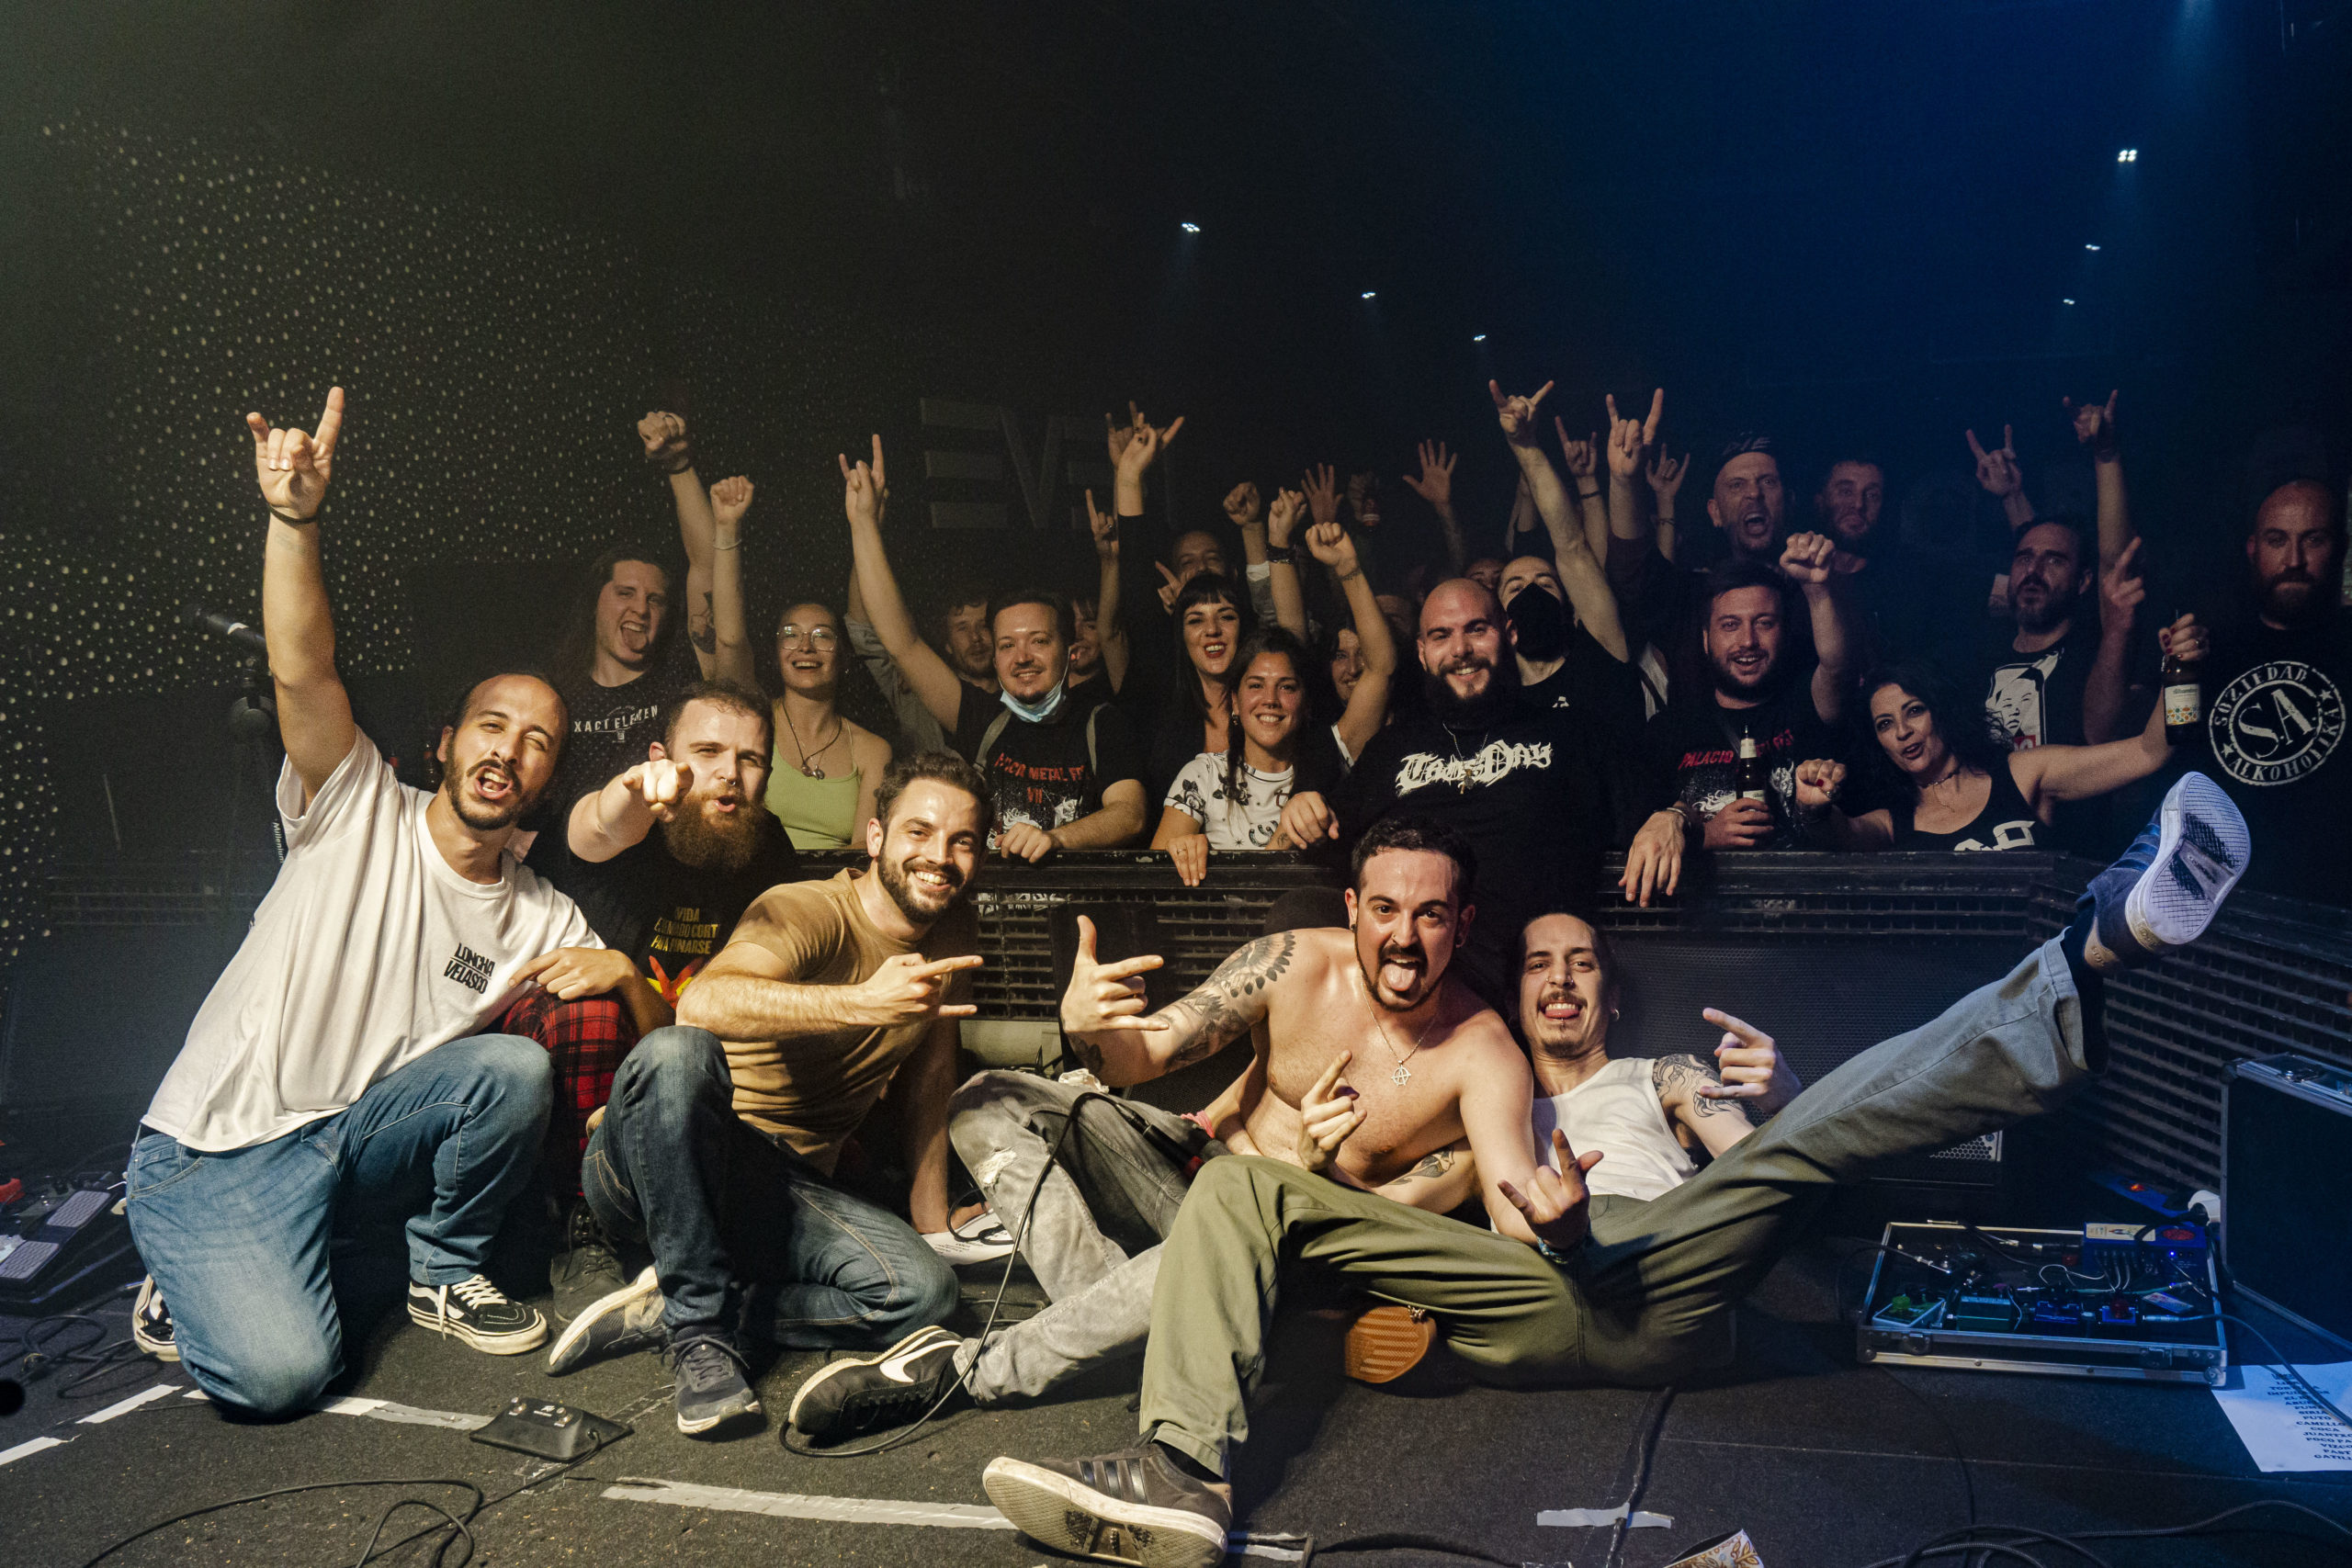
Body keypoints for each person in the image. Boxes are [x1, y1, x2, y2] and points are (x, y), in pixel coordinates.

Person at [979, 772, 2254, 1567]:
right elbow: (1453, 1217)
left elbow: (1765, 1175)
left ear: (1604, 981)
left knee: (1796, 1152)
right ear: (1512, 980)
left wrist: (1747, 1136)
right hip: (1537, 1284)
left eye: (1582, 961)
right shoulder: (1491, 1081)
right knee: (1242, 1186)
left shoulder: (1655, 1076)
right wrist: (1536, 1217)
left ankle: (2094, 947)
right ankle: (1183, 1474)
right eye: (1541, 966)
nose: (1561, 979)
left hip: (1663, 1254)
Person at [127, 388, 639, 1416]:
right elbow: (302, 666)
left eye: (538, 741)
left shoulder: (541, 912)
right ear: (448, 743)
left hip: (354, 1137)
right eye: (492, 724)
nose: (510, 748)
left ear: (547, 781)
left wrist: (627, 970)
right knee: (283, 1379)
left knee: (510, 1065)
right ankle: (191, 1265)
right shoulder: (359, 799)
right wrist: (294, 521)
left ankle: (443, 1269)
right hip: (222, 1144)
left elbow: (623, 1016)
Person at [546, 752, 991, 1435]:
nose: (940, 856)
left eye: (962, 841)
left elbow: (931, 1073)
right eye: (920, 832)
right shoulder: (804, 908)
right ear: (876, 838)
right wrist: (863, 1002)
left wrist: (931, 1218)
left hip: (779, 1186)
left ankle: (678, 1299)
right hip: (660, 1159)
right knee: (677, 1050)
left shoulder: (953, 931)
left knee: (924, 1293)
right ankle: (699, 1330)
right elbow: (704, 1002)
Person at [842, 435, 1150, 859]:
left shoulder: (1101, 722)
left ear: (1068, 648)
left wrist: (1057, 838)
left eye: (1038, 641)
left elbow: (1130, 813)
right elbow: (903, 642)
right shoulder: (983, 720)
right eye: (1007, 645)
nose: (1021, 657)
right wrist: (862, 522)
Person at [1152, 522, 1395, 884]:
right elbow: (1152, 876)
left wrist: (1349, 569)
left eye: (1286, 687)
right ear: (1234, 702)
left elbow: (1381, 669)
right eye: (1255, 685)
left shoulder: (1331, 752)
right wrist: (1183, 849)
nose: (1270, 700)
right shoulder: (1202, 774)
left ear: (1306, 702)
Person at [540, 415, 755, 819]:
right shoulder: (557, 694)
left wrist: (679, 467)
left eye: (655, 600)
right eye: (625, 593)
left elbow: (707, 569)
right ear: (595, 603)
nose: (640, 609)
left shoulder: (681, 684)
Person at [1793, 659, 2189, 852]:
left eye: (1914, 710)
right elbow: (1840, 835)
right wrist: (1814, 809)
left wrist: (2181, 673)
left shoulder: (2023, 773)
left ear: (1941, 712)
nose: (1902, 732)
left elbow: (2148, 752)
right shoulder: (1893, 823)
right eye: (1884, 724)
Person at [2175, 476, 2352, 906]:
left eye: (2314, 539)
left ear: (2342, 549)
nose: (2294, 559)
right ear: (2253, 549)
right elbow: (2134, 745)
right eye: (2277, 540)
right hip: (2218, 906)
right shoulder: (2210, 649)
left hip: (2334, 912)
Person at [1632, 548, 1850, 859]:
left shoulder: (1805, 705)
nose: (1748, 640)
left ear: (1784, 634)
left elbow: (1837, 666)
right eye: (1730, 625)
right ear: (1706, 640)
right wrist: (1706, 836)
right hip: (1709, 905)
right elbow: (1644, 836)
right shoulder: (1670, 731)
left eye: (1763, 623)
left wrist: (1817, 590)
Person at [765, 600, 893, 851]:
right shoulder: (754, 727)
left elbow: (863, 848)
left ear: (844, 657)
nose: (805, 647)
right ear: (776, 653)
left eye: (822, 636)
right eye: (791, 634)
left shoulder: (874, 750)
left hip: (835, 885)